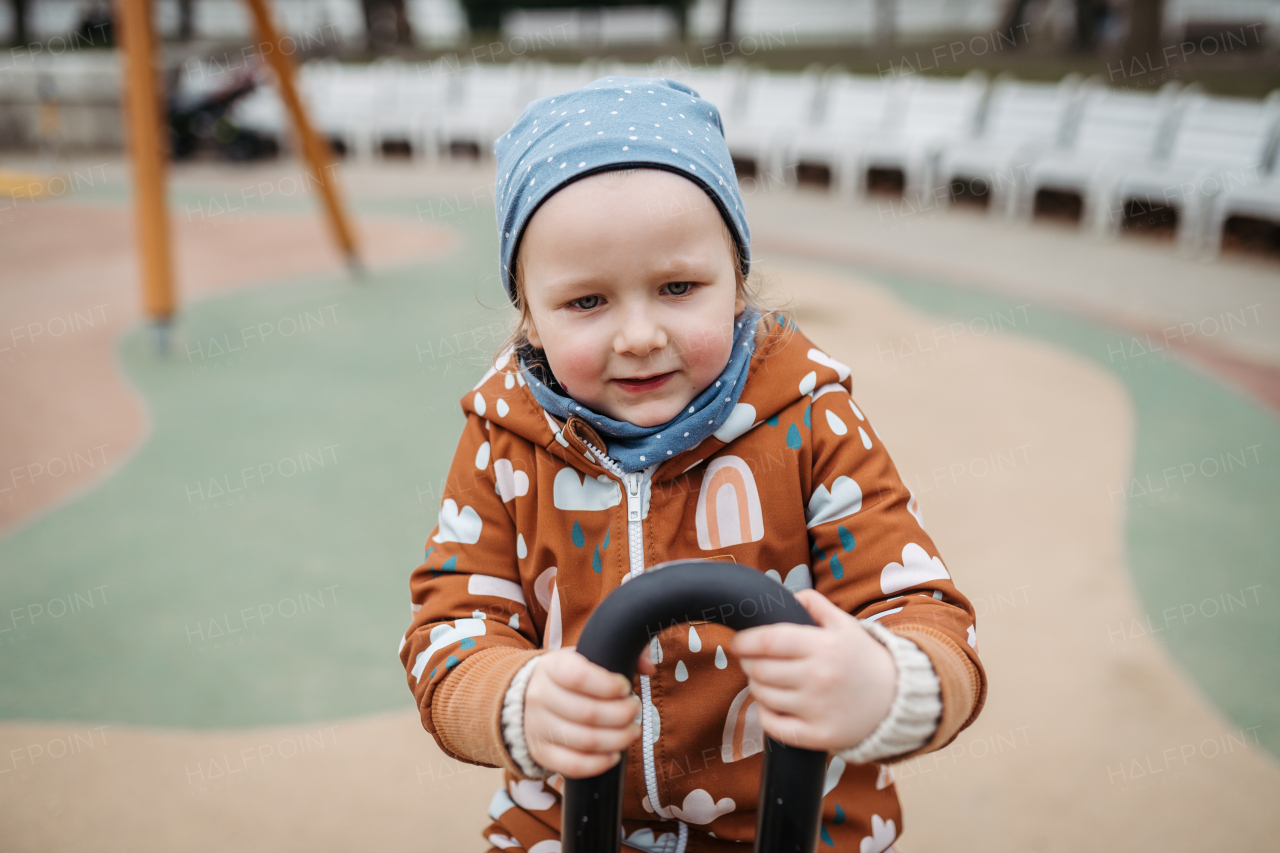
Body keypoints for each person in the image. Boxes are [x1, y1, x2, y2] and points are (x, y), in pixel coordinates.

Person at [400, 76, 987, 853]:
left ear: (738, 282)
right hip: (570, 823)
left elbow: (928, 616)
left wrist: (883, 682)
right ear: (529, 318)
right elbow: (449, 633)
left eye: (678, 287)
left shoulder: (810, 420)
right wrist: (516, 701)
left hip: (798, 819)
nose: (639, 334)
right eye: (586, 302)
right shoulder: (505, 442)